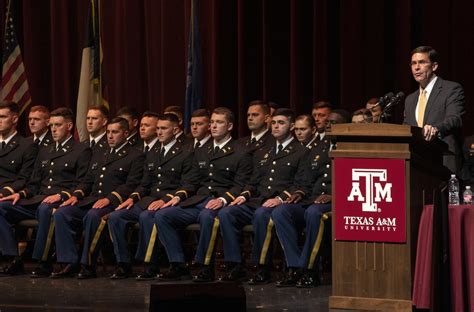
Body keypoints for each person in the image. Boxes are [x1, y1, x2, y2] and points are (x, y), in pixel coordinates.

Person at [155, 107, 253, 282]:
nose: (214, 126)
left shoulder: (240, 152)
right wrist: (178, 197)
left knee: (208, 216)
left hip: (221, 202)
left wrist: (223, 199)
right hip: (199, 201)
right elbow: (192, 181)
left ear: (229, 126)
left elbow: (241, 184)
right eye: (213, 122)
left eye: (219, 122)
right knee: (163, 215)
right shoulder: (201, 151)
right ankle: (178, 264)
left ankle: (206, 267)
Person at [218, 108, 308, 284]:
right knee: (227, 213)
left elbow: (301, 183)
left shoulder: (301, 150)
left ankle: (262, 267)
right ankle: (235, 265)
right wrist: (244, 196)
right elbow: (254, 180)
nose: (275, 126)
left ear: (291, 126)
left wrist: (280, 198)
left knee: (261, 215)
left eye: (281, 123)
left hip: (281, 203)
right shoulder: (263, 151)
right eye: (273, 123)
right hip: (258, 201)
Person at [0, 107, 90, 277]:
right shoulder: (44, 150)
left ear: (69, 126)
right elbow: (34, 183)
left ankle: (44, 261)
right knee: (2, 207)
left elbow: (84, 182)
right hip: (38, 199)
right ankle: (13, 257)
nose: (54, 129)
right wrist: (21, 194)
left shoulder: (81, 150)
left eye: (58, 125)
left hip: (60, 200)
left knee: (45, 209)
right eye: (52, 126)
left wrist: (62, 195)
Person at [50, 117, 144, 279]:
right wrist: (76, 195)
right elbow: (88, 180)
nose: (110, 136)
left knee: (93, 216)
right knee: (62, 212)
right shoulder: (101, 153)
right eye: (108, 132)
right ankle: (69, 262)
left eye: (115, 132)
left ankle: (88, 264)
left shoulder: (135, 155)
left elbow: (131, 184)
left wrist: (110, 199)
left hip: (114, 203)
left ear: (126, 133)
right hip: (92, 200)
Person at [107, 113, 193, 280]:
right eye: (158, 128)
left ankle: (150, 264)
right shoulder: (152, 153)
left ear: (175, 130)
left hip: (171, 201)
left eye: (164, 129)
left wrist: (166, 199)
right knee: (116, 216)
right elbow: (145, 184)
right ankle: (123, 263)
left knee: (147, 216)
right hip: (150, 200)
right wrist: (132, 198)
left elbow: (188, 185)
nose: (159, 132)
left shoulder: (185, 153)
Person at [271, 110, 349, 288]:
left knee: (314, 214)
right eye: (327, 122)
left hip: (337, 202)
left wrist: (334, 195)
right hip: (311, 199)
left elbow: (354, 180)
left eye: (334, 122)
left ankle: (310, 269)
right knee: (281, 211)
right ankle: (294, 266)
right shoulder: (316, 149)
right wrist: (299, 193)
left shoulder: (351, 147)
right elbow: (304, 180)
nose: (328, 125)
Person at [403, 46, 465, 174]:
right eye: (413, 63)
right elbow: (407, 128)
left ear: (434, 66)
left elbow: (455, 118)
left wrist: (436, 128)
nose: (416, 67)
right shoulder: (410, 99)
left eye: (422, 62)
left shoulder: (451, 89)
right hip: (417, 163)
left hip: (443, 160)